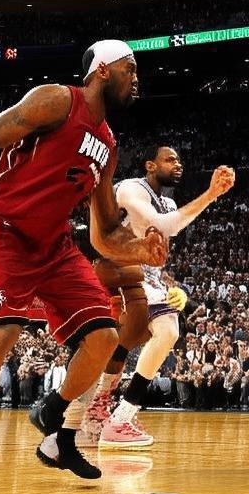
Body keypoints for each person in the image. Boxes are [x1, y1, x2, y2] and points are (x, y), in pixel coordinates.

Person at [0, 39, 167, 494]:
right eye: (130, 68)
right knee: (4, 332)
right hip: (7, 231)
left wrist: (140, 249)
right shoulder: (58, 100)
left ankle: (54, 421)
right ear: (103, 70)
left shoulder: (108, 145)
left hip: (55, 245)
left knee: (105, 337)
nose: (137, 77)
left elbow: (104, 234)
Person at [87, 146, 235, 449]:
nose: (178, 164)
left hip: (145, 279)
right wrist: (210, 194)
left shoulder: (167, 202)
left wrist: (171, 286)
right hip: (117, 270)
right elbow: (165, 225)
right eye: (170, 160)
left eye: (179, 160)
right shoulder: (131, 189)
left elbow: (163, 244)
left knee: (146, 336)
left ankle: (102, 413)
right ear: (150, 165)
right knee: (160, 330)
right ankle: (114, 416)